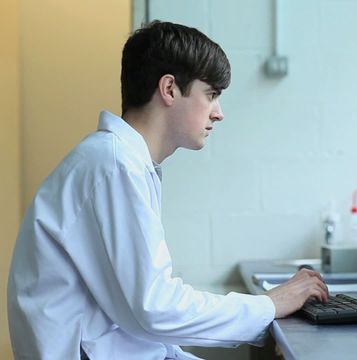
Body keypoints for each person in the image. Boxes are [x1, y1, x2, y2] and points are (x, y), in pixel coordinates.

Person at [7, 20, 329, 360]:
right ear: (170, 89)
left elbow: (142, 315)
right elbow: (154, 308)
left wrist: (266, 310)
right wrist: (269, 305)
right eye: (212, 95)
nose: (218, 113)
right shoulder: (114, 165)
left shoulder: (120, 161)